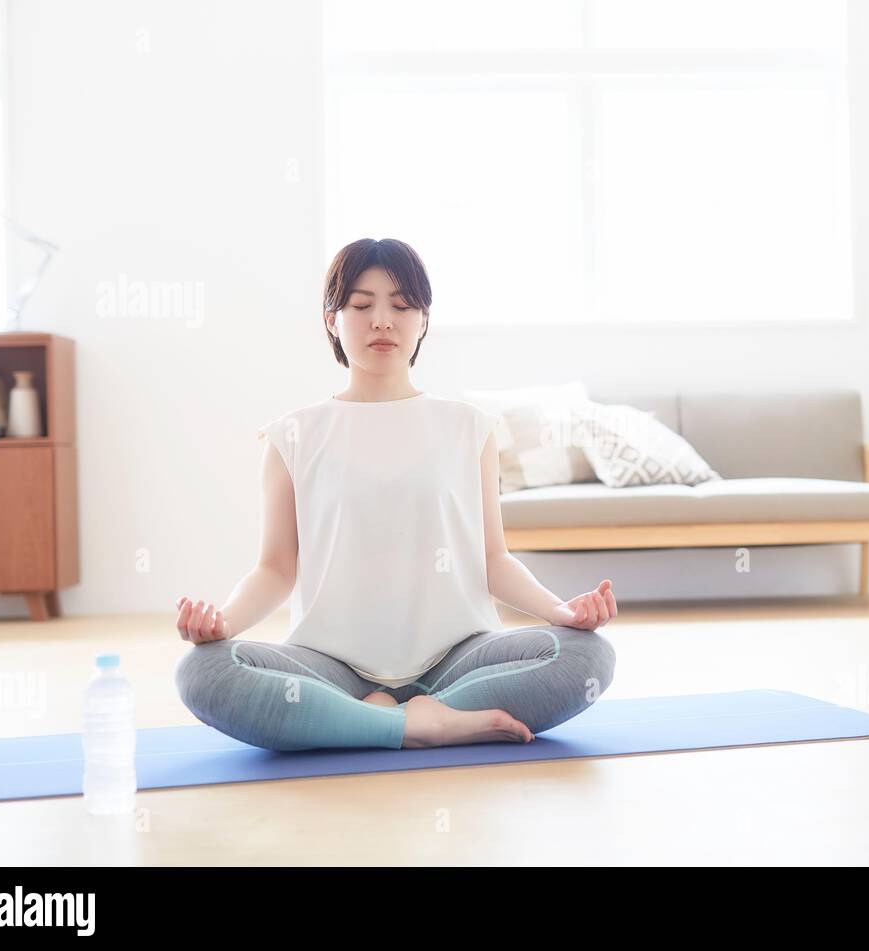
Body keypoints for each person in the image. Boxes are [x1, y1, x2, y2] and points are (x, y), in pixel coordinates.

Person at [173, 237, 617, 751]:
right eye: (361, 305)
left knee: (588, 657)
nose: (382, 320)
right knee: (203, 672)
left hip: (458, 657)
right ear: (331, 320)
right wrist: (222, 624)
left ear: (423, 321)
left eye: (402, 306)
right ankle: (419, 724)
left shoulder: (469, 428)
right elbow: (275, 569)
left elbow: (494, 559)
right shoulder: (292, 435)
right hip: (331, 665)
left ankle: (382, 720)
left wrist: (560, 612)